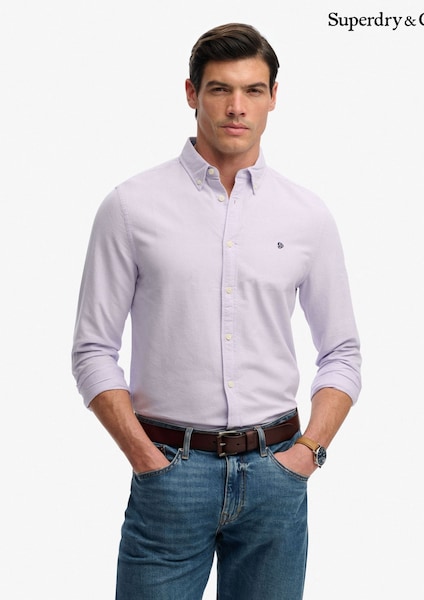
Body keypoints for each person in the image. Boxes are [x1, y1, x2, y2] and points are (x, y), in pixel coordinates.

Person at [72, 22, 361, 600]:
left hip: (278, 473)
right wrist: (144, 457)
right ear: (191, 93)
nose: (236, 107)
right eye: (219, 89)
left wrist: (308, 453)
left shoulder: (306, 215)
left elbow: (342, 352)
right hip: (170, 473)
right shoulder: (131, 207)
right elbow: (93, 350)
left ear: (273, 97)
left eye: (253, 90)